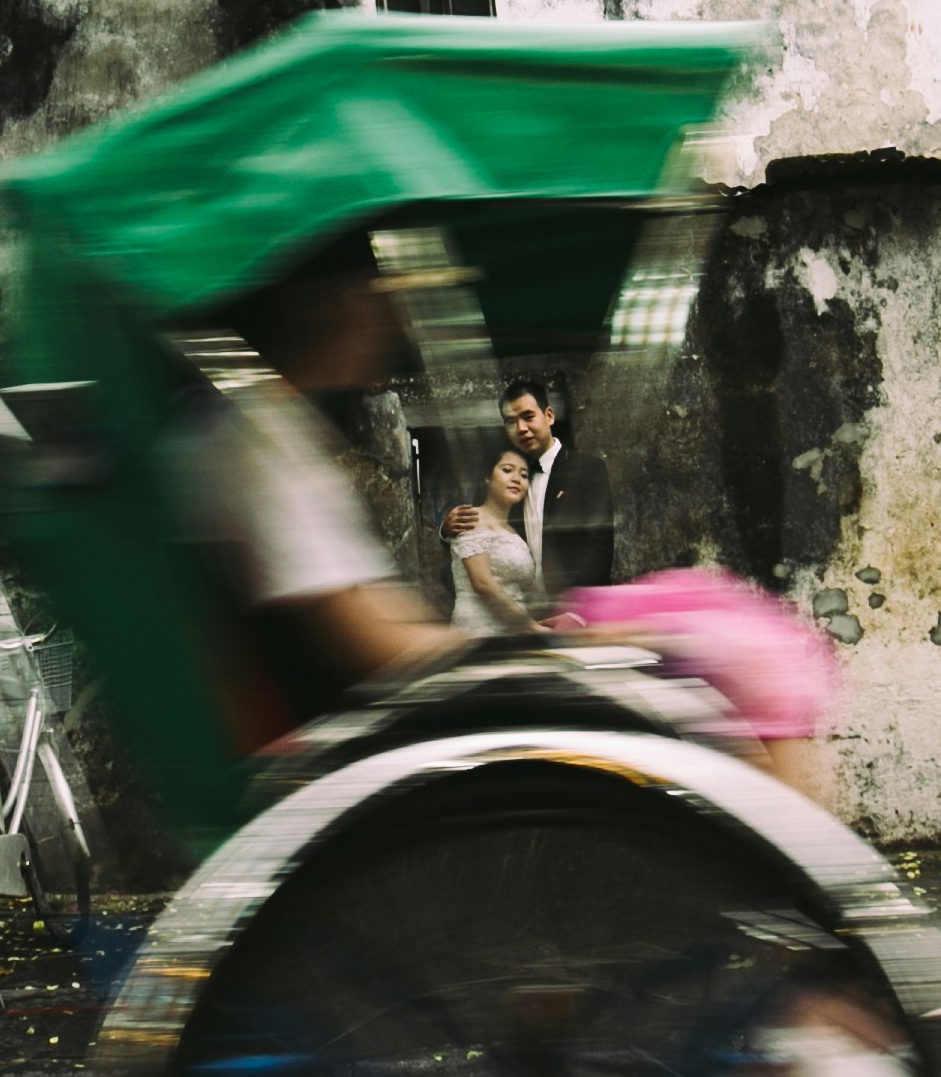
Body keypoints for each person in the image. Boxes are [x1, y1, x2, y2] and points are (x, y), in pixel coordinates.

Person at [181, 232, 466, 744]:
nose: (388, 324)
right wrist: (503, 658)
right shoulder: (253, 438)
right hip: (309, 739)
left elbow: (373, 605)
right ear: (317, 307)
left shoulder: (278, 426)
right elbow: (364, 640)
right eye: (372, 301)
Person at [444, 377, 616, 594]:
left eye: (528, 417)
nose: (521, 428)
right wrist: (447, 530)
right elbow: (476, 534)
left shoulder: (587, 469)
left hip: (575, 612)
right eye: (510, 421)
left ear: (549, 416)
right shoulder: (504, 476)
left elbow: (599, 548)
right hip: (521, 612)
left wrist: (576, 613)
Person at [445, 450, 540, 633]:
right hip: (479, 629)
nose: (516, 479)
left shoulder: (515, 532)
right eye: (507, 470)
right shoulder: (470, 518)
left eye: (524, 475)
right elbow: (483, 584)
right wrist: (532, 627)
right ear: (488, 477)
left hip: (514, 629)